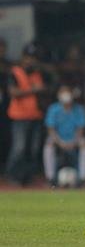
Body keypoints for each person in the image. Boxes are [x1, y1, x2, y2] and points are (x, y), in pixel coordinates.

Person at [5, 44, 47, 186]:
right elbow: (13, 92)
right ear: (23, 57)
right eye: (28, 57)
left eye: (33, 58)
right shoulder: (15, 72)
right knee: (19, 148)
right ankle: (11, 175)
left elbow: (42, 89)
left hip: (35, 116)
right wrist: (32, 90)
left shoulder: (36, 73)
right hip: (19, 116)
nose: (31, 61)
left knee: (33, 149)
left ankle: (26, 177)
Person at [43, 85, 85, 187]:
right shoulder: (53, 109)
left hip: (75, 138)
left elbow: (81, 129)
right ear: (58, 95)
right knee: (48, 145)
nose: (66, 95)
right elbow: (51, 129)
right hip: (58, 138)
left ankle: (82, 178)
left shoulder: (79, 109)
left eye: (67, 92)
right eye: (63, 92)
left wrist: (73, 142)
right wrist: (60, 142)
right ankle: (50, 178)